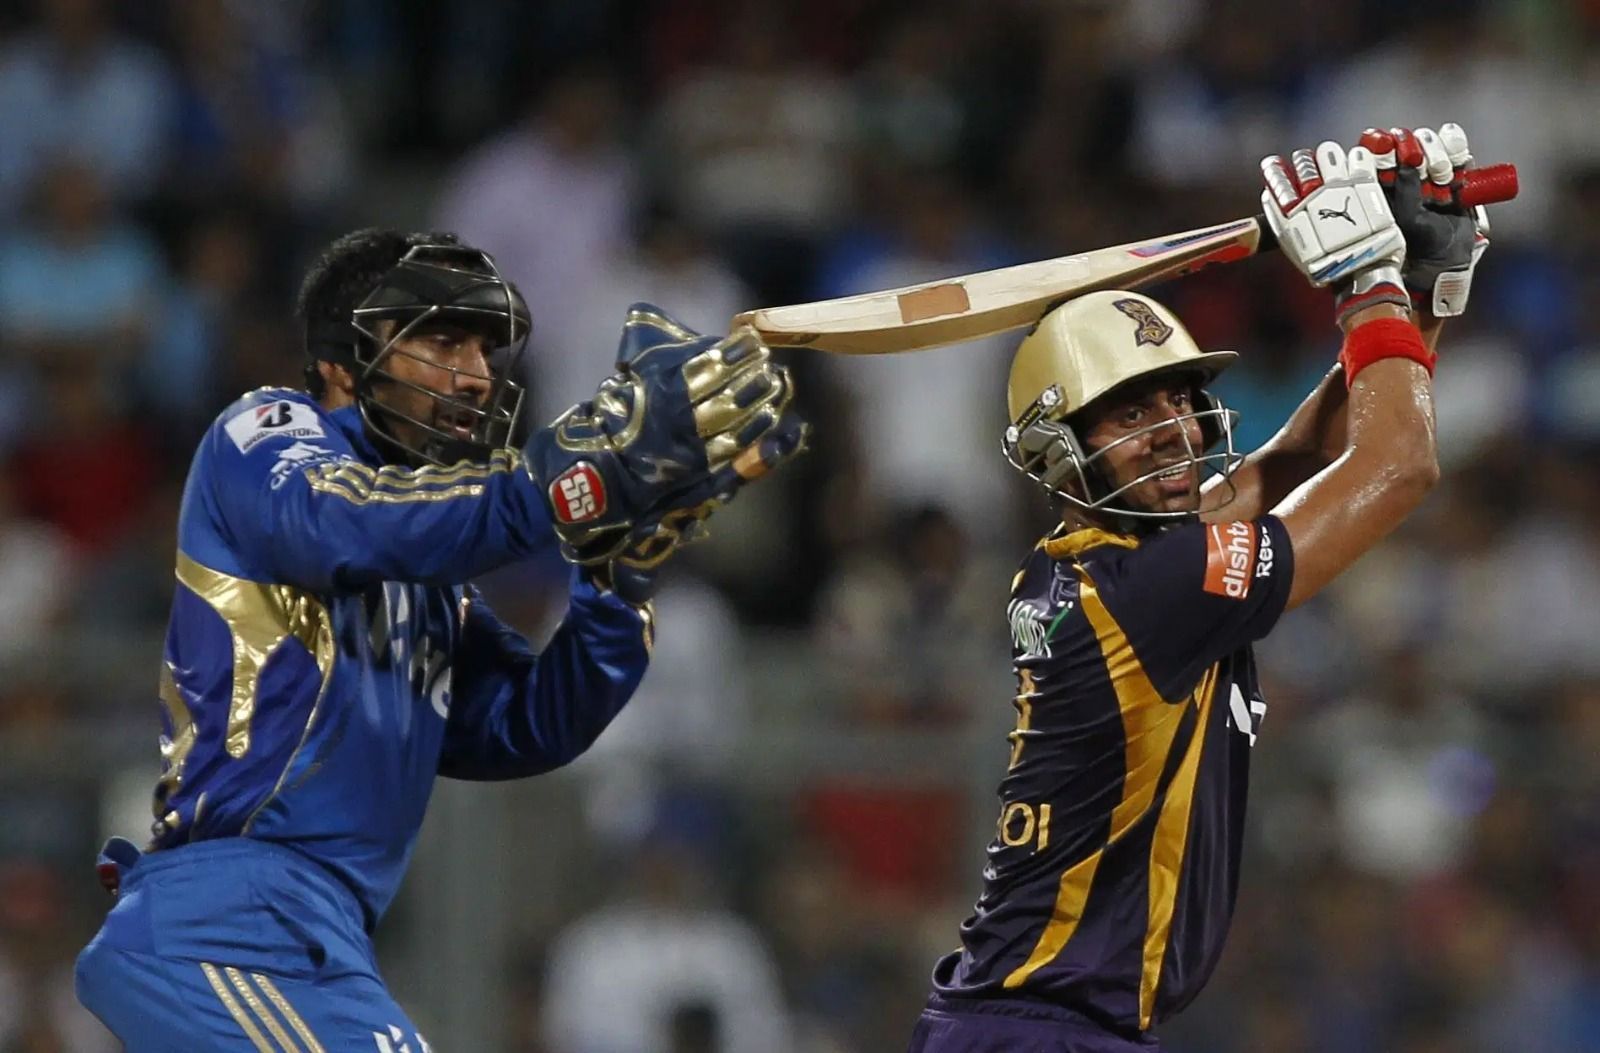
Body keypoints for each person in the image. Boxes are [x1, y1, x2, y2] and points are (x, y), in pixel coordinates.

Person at [72, 228, 807, 1050]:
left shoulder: (431, 578)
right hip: (226, 924)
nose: (478, 373)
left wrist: (618, 570)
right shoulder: (265, 434)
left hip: (322, 944)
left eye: (486, 351)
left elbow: (525, 724)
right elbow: (340, 522)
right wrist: (575, 471)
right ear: (345, 358)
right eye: (445, 340)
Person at [907, 125, 1491, 1051]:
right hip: (1048, 1031)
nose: (1173, 429)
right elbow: (1397, 462)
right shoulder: (1157, 584)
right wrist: (1363, 283)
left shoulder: (1103, 557)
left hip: (1039, 1024)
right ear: (1060, 450)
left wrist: (1416, 286)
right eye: (1132, 411)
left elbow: (1307, 455)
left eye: (1179, 398)